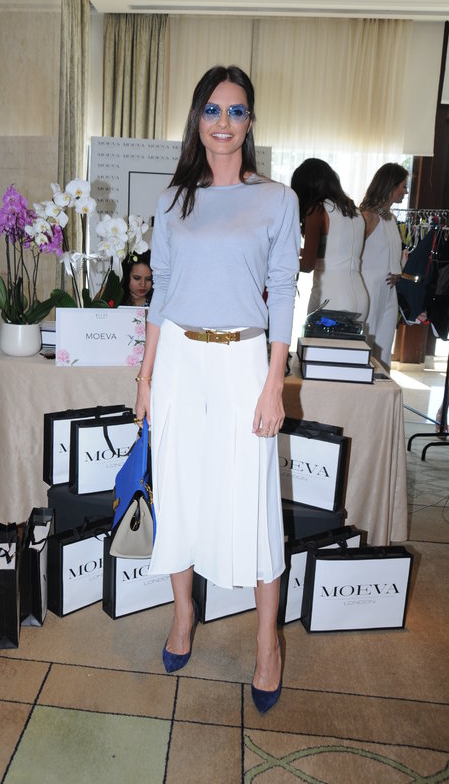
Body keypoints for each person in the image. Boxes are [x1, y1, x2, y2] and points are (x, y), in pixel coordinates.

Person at [134, 65, 300, 715]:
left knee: (254, 502)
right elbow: (160, 294)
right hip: (179, 359)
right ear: (197, 120)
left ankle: (266, 644)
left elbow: (283, 292)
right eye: (212, 109)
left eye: (235, 111)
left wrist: (274, 383)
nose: (223, 122)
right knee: (177, 490)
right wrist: (146, 379)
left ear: (250, 122)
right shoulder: (173, 200)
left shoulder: (276, 200)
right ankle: (183, 613)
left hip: (243, 362)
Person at [290, 158, 368, 321]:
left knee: (316, 339)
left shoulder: (317, 210)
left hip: (330, 297)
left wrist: (274, 263)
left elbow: (307, 265)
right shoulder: (355, 211)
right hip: (360, 296)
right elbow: (335, 252)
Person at [360, 163, 408, 369]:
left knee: (384, 346)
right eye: (403, 186)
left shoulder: (391, 218)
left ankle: (381, 384)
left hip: (389, 290)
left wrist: (397, 271)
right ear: (390, 186)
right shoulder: (367, 216)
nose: (405, 191)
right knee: (366, 342)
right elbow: (353, 252)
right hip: (370, 286)